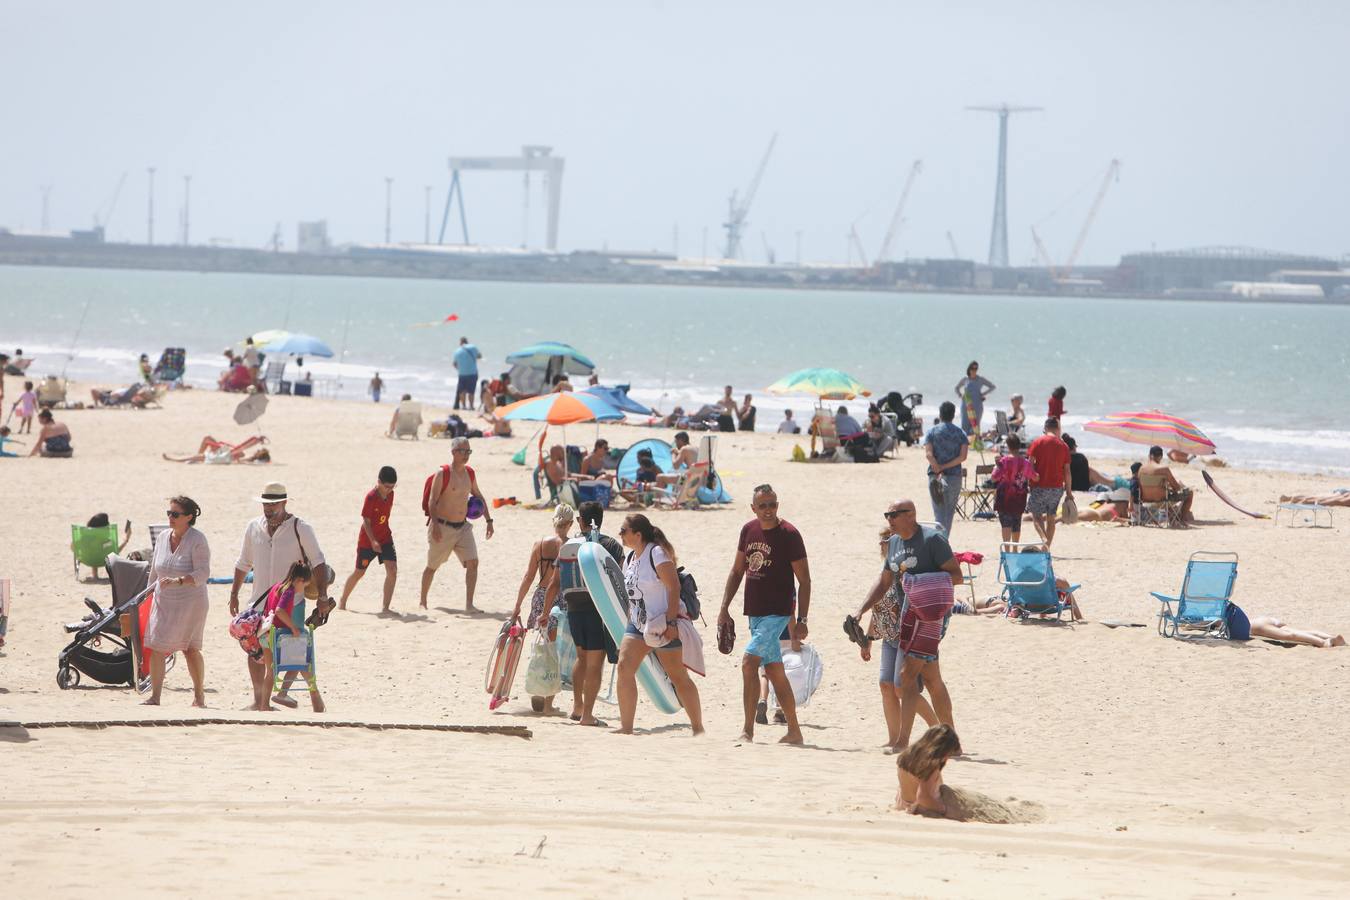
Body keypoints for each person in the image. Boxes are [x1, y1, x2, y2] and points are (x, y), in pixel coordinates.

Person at [852, 498, 962, 751]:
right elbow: (884, 582)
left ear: (910, 515)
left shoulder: (933, 540)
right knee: (933, 681)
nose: (889, 519)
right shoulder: (893, 544)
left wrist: (919, 582)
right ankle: (952, 743)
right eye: (887, 515)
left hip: (930, 616)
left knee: (906, 678)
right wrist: (861, 610)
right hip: (906, 618)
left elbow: (956, 575)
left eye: (894, 514)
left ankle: (903, 742)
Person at [718, 484, 810, 744]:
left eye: (772, 504)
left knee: (749, 663)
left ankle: (747, 730)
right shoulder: (748, 530)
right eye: (763, 505)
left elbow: (805, 580)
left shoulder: (789, 534)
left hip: (778, 612)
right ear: (753, 508)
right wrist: (724, 609)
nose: (768, 510)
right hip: (755, 612)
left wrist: (801, 620)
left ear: (777, 505)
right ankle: (794, 731)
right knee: (774, 671)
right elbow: (737, 571)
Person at [230, 481, 331, 712]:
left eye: (274, 504)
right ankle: (259, 701)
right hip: (258, 603)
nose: (269, 508)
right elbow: (243, 562)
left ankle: (302, 696)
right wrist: (234, 593)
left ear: (284, 502)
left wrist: (323, 596)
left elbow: (318, 561)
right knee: (255, 651)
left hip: (291, 602)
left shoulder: (300, 528)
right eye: (266, 504)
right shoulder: (253, 527)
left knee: (296, 650)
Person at [615, 514, 704, 735]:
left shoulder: (656, 553)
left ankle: (698, 728)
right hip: (638, 624)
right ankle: (626, 728)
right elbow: (632, 594)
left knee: (677, 676)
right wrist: (629, 618)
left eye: (624, 531)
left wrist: (671, 621)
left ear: (638, 534)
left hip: (662, 623)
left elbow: (673, 587)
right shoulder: (630, 559)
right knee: (624, 667)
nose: (621, 535)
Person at [546, 501, 622, 726]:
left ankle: (577, 706)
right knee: (595, 662)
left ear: (580, 521)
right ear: (601, 519)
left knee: (581, 658)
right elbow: (620, 579)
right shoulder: (610, 545)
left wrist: (544, 611)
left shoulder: (570, 545)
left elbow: (555, 582)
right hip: (598, 610)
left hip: (574, 609)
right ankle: (588, 716)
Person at [142, 496, 210, 707]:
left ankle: (199, 695)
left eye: (176, 514)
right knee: (157, 646)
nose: (171, 517)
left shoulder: (197, 539)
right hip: (164, 600)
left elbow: (203, 572)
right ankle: (155, 696)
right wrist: (147, 593)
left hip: (191, 601)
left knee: (190, 649)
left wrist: (179, 581)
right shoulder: (163, 537)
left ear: (189, 517)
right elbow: (155, 569)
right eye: (169, 513)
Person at [511, 504, 573, 712]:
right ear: (571, 523)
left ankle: (538, 691)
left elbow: (529, 576)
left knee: (540, 647)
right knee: (553, 650)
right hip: (560, 599)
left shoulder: (539, 544)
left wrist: (518, 604)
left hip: (540, 596)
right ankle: (548, 703)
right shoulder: (571, 546)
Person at [420, 437, 494, 610]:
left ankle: (469, 604)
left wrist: (489, 520)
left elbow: (479, 496)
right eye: (462, 451)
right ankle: (423, 601)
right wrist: (436, 526)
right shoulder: (443, 474)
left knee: (473, 562)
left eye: (468, 451)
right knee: (432, 567)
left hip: (462, 527)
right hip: (443, 527)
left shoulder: (470, 473)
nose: (466, 455)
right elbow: (432, 502)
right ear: (453, 452)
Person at [258, 562, 325, 712]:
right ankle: (284, 693)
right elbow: (280, 611)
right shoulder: (289, 591)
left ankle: (264, 705)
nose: (304, 589)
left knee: (270, 672)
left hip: (265, 634)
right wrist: (293, 627)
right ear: (300, 580)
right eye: (305, 585)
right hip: (276, 637)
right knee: (299, 659)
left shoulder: (277, 587)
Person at [338, 466, 399, 613]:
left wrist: (381, 540)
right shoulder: (371, 497)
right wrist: (373, 541)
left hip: (385, 538)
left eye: (393, 486)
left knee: (392, 570)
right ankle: (343, 600)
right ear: (378, 482)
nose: (389, 490)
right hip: (368, 541)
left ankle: (386, 607)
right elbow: (366, 521)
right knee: (359, 572)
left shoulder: (391, 495)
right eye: (386, 486)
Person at [894, 724, 963, 817]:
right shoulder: (930, 765)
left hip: (903, 804)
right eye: (948, 754)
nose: (947, 758)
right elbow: (923, 797)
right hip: (921, 808)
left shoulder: (907, 755)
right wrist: (945, 809)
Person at [923, 401, 968, 537]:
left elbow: (928, 454)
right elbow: (962, 457)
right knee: (949, 513)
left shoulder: (932, 431)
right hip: (954, 476)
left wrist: (938, 467)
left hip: (935, 476)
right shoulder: (960, 433)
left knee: (939, 513)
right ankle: (944, 542)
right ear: (953, 415)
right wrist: (946, 466)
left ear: (940, 414)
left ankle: (940, 544)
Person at [1027, 418, 1071, 548]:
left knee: (1037, 516)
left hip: (1039, 485)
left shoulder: (1037, 442)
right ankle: (1046, 549)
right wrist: (1069, 492)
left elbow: (1029, 464)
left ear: (1045, 428)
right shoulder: (1064, 446)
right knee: (1051, 517)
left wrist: (1032, 478)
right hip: (1057, 488)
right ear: (1057, 429)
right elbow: (1067, 472)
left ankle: (1044, 539)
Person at [991, 434, 1035, 543]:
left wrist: (996, 466)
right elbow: (1035, 477)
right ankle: (1015, 550)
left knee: (1006, 524)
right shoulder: (1025, 463)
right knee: (1016, 524)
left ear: (1008, 446)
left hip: (1004, 497)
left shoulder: (1003, 462)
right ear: (1019, 446)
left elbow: (993, 478)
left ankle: (1007, 551)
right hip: (1019, 497)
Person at [1139, 445, 1196, 523]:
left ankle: (1170, 516)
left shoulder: (1141, 470)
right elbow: (1177, 488)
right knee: (1190, 493)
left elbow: (1139, 486)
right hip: (1162, 501)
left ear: (1149, 455)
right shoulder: (1163, 469)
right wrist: (1174, 486)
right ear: (1160, 457)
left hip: (1145, 501)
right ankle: (1182, 519)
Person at [1248, 615, 1345, 648]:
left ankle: (1323, 642)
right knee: (1302, 632)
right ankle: (1331, 638)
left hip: (1258, 626)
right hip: (1264, 619)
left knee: (1289, 636)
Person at [162, 435, 269, 464]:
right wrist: (257, 439)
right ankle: (179, 459)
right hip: (223, 455)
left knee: (197, 457)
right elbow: (244, 446)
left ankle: (173, 459)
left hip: (221, 457)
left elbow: (244, 447)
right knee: (198, 456)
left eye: (258, 452)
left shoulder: (248, 458)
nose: (256, 451)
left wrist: (257, 440)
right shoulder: (246, 457)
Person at [954, 361, 995, 435]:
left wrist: (983, 394)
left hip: (977, 406)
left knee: (975, 428)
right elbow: (956, 388)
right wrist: (960, 395)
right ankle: (965, 445)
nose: (974, 370)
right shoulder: (965, 379)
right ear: (969, 369)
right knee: (964, 427)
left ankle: (976, 445)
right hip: (966, 406)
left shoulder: (980, 379)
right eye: (972, 368)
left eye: (976, 368)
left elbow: (992, 386)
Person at [452, 337, 481, 410]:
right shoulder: (473, 347)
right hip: (472, 373)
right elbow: (479, 356)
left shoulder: (457, 351)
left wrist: (460, 369)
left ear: (460, 343)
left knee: (462, 391)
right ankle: (471, 406)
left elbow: (454, 364)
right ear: (467, 341)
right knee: (471, 391)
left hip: (462, 374)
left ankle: (464, 406)